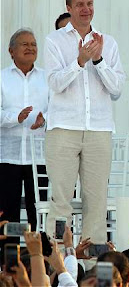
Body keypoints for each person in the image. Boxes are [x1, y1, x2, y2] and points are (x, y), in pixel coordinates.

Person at [44, 0, 126, 243]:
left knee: (96, 200)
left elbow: (117, 89)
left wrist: (98, 60)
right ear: (69, 8)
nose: (86, 9)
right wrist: (79, 61)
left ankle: (94, 266)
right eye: (79, 4)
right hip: (63, 129)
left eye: (89, 3)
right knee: (61, 198)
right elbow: (55, 83)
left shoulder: (108, 43)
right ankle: (58, 259)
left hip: (99, 129)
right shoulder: (54, 41)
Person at [0, 28, 48, 247]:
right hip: (7, 157)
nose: (31, 48)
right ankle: (7, 262)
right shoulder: (2, 78)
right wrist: (15, 118)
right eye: (25, 44)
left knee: (38, 213)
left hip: (39, 157)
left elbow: (59, 108)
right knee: (7, 213)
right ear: (11, 51)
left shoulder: (47, 78)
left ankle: (39, 262)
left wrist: (44, 119)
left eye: (34, 44)